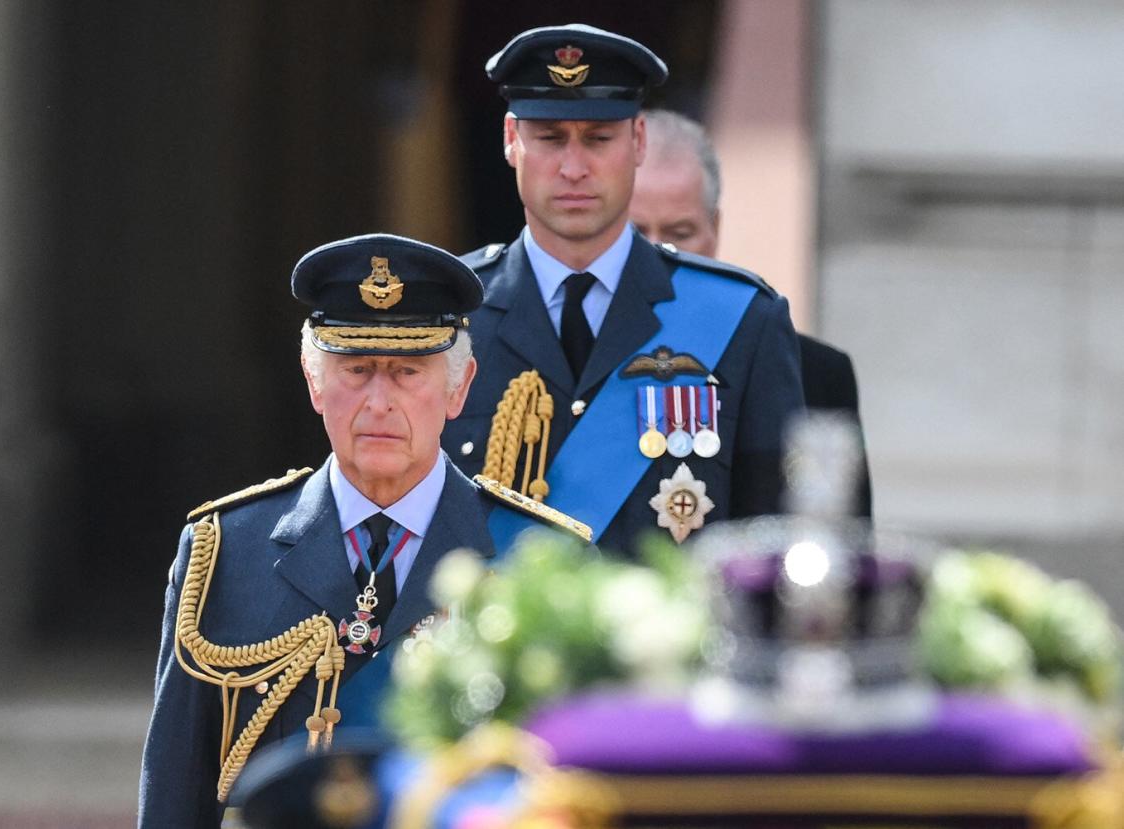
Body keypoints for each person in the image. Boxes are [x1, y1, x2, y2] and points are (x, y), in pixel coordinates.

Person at [138, 234, 589, 828]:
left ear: (459, 386)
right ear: (312, 380)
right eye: (355, 370)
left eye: (407, 372)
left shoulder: (541, 557)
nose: (379, 401)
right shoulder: (224, 551)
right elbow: (176, 794)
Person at [441, 24, 805, 554]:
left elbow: (774, 539)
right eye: (549, 138)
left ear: (637, 141)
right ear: (510, 141)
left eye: (597, 138)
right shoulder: (445, 318)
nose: (573, 167)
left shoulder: (741, 319)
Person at [630, 108, 872, 517]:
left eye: (680, 233)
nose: (661, 254)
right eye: (637, 234)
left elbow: (843, 548)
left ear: (715, 228)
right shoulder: (568, 352)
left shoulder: (816, 372)